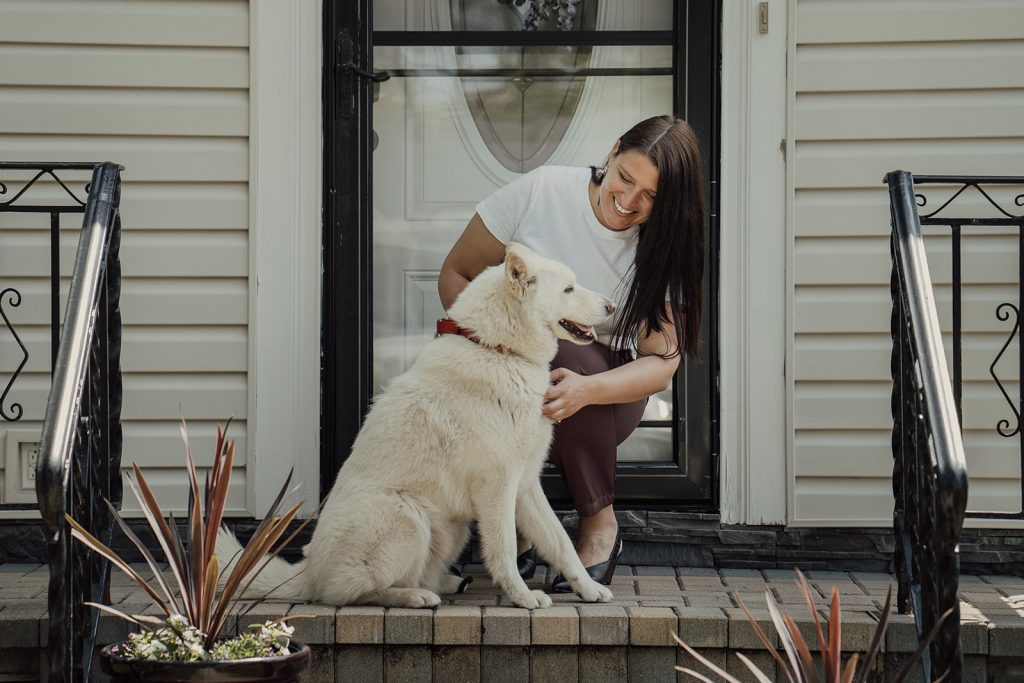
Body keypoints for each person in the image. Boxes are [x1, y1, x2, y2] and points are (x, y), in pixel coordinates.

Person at [437, 115, 706, 590]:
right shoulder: (543, 191)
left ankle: (600, 525)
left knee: (562, 358)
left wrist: (590, 390)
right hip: (514, 365)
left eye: (650, 196)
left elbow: (663, 364)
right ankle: (513, 530)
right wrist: (484, 349)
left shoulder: (664, 245)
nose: (628, 200)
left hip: (608, 390)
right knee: (535, 358)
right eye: (625, 177)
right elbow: (456, 273)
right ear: (613, 151)